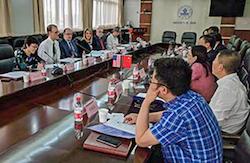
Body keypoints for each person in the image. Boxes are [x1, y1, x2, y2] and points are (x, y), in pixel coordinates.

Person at [125, 58, 223, 162]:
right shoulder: (193, 96)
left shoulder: (177, 116)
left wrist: (146, 102)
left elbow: (141, 140)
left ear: (163, 90)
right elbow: (168, 115)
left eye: (152, 81)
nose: (150, 85)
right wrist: (144, 118)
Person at [210, 50, 250, 134]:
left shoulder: (228, 89)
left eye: (214, 60)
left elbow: (215, 120)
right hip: (216, 125)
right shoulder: (229, 82)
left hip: (221, 133)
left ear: (220, 67)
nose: (212, 62)